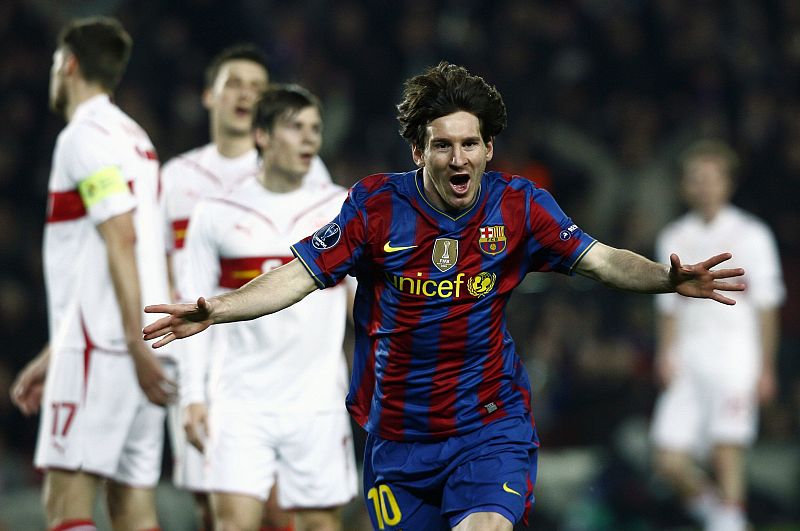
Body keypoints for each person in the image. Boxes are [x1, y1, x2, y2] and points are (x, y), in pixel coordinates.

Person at [143, 62, 746, 531]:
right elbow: (297, 275)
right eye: (442, 145)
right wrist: (216, 309)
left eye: (470, 144)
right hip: (399, 437)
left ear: (488, 149)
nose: (458, 158)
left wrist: (667, 280)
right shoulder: (375, 207)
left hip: (489, 423)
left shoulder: (520, 204)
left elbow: (603, 260)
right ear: (418, 152)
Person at [8, 16, 176, 531]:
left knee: (65, 505)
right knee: (133, 511)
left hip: (108, 347)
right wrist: (55, 352)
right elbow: (143, 253)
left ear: (70, 64)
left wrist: (128, 341)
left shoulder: (82, 136)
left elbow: (119, 235)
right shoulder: (138, 140)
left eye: (58, 64)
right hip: (137, 346)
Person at [160, 44, 332, 531]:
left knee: (282, 509)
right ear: (208, 95)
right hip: (195, 352)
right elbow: (160, 270)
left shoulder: (304, 173)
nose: (245, 94)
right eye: (234, 83)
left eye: (256, 87)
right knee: (209, 505)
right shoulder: (177, 178)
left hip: (273, 371)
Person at [649, 140, 785, 531]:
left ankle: (729, 520)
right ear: (684, 185)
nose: (704, 186)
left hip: (735, 356)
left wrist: (766, 367)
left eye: (712, 178)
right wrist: (665, 353)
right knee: (667, 458)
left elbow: (768, 304)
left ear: (728, 183)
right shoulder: (673, 235)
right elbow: (667, 305)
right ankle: (721, 515)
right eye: (696, 179)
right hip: (688, 358)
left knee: (728, 447)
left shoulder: (752, 234)